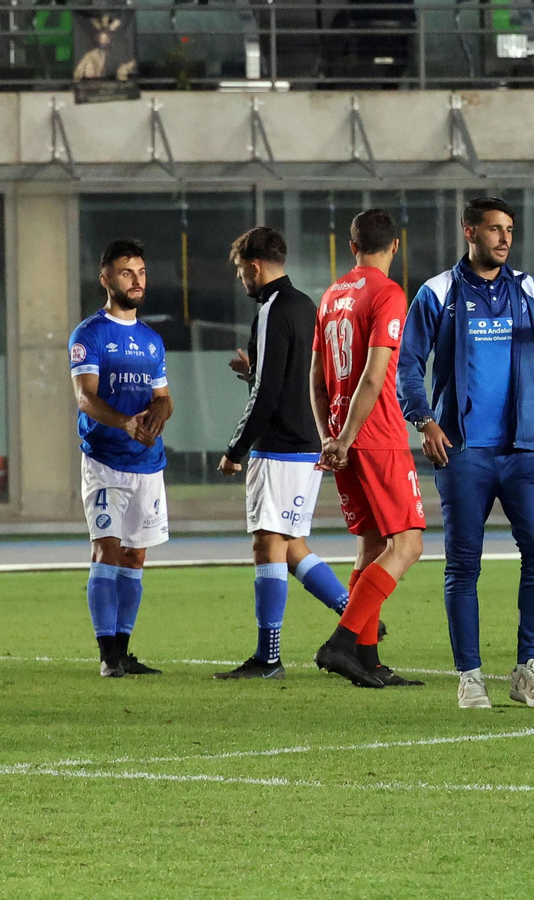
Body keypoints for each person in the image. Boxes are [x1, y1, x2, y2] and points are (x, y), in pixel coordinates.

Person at [399, 197, 534, 710]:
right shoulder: (437, 293)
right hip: (463, 448)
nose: (504, 239)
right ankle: (469, 676)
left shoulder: (527, 289)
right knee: (463, 564)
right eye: (494, 229)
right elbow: (408, 364)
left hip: (525, 446)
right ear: (469, 231)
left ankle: (528, 668)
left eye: (509, 230)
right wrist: (424, 420)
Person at [213, 226, 355, 680]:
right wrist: (253, 372)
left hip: (279, 448)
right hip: (307, 443)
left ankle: (267, 657)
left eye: (241, 271)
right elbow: (297, 376)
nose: (242, 280)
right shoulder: (305, 306)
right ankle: (359, 618)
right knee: (292, 546)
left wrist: (236, 448)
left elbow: (269, 392)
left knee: (267, 543)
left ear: (254, 266)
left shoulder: (273, 309)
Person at [310, 209, 426, 689]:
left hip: (343, 437)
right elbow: (376, 377)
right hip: (374, 437)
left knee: (372, 544)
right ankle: (341, 643)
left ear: (351, 245)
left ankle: (366, 658)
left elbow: (316, 380)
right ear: (394, 247)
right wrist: (351, 435)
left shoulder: (332, 295)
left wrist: (330, 437)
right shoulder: (389, 294)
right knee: (409, 544)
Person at [68, 239, 173, 678]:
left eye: (142, 272)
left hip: (147, 464)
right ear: (106, 278)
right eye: (127, 273)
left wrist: (157, 418)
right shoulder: (89, 334)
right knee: (106, 550)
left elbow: (164, 399)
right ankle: (107, 654)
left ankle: (125, 650)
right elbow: (85, 398)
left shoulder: (151, 341)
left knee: (134, 558)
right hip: (105, 462)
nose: (137, 280)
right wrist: (127, 424)